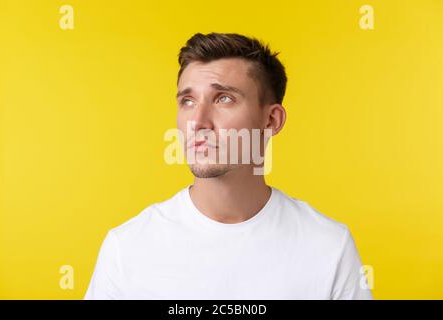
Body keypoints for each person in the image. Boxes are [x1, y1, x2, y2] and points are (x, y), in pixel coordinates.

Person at [84, 32, 373, 300]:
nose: (198, 122)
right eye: (187, 101)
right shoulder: (128, 248)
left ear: (271, 121)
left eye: (224, 98)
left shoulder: (328, 247)